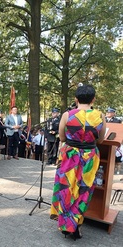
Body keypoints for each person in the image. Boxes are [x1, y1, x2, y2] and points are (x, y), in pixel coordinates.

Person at [50, 84, 106, 240]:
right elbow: (100, 139)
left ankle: (66, 225)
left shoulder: (67, 115)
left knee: (66, 188)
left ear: (76, 99)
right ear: (93, 99)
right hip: (89, 157)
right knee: (83, 191)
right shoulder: (100, 116)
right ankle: (76, 225)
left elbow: (61, 138)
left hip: (69, 156)